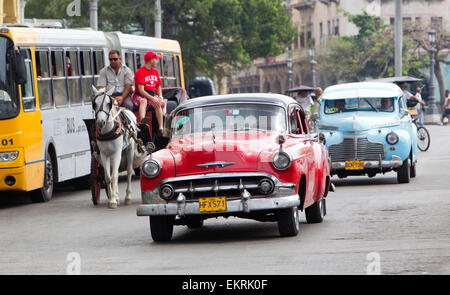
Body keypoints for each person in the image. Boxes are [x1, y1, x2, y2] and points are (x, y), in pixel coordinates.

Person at [133, 51, 166, 135]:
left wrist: (160, 96)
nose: (157, 61)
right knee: (143, 101)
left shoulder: (155, 71)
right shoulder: (140, 72)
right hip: (140, 96)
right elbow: (141, 91)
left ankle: (161, 128)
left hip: (151, 95)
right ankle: (143, 121)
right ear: (150, 60)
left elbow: (158, 86)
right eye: (155, 59)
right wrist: (152, 98)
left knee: (157, 103)